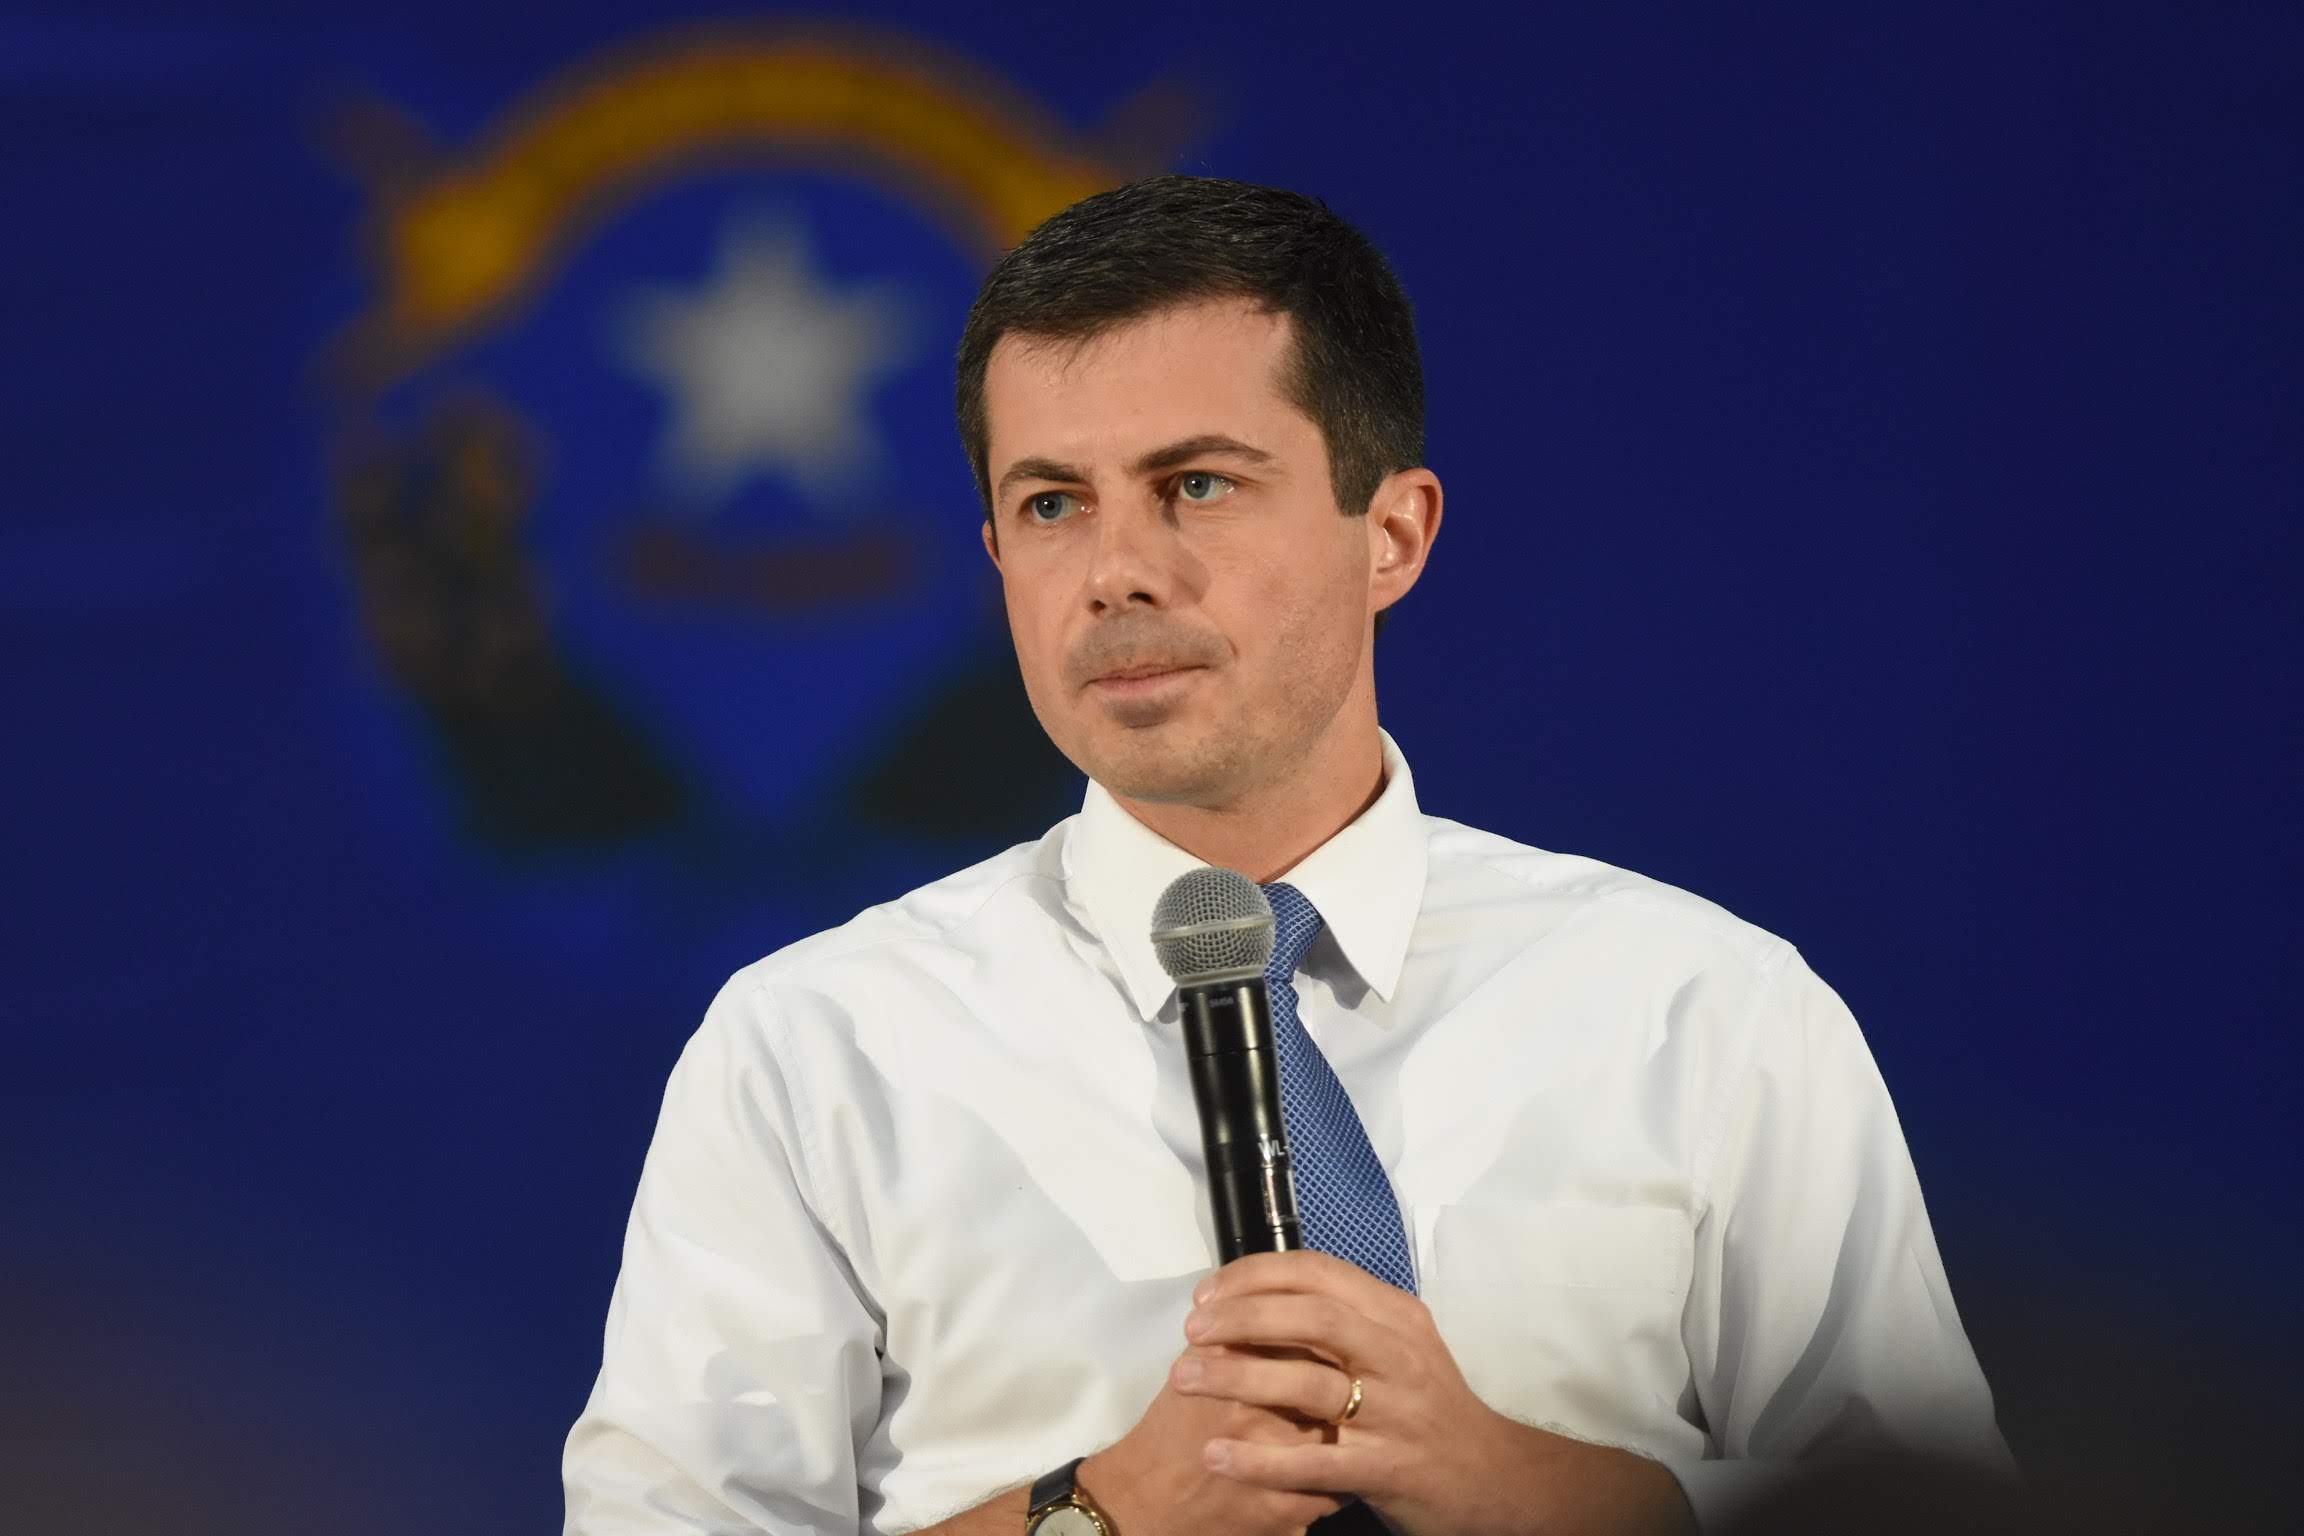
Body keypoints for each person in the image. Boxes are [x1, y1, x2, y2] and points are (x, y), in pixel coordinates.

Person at [563, 175, 2011, 1536]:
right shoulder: (817, 1048)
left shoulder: (1707, 1014)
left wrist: (1518, 1484)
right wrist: (1098, 1513)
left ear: (1392, 534)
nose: (1117, 569)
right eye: (1052, 503)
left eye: (1196, 484)